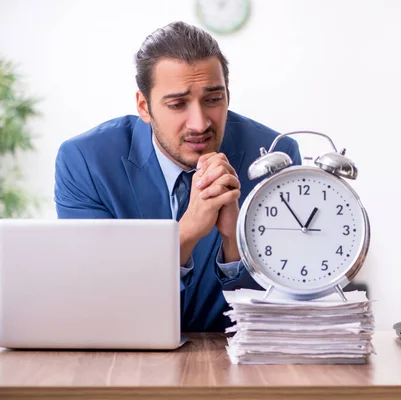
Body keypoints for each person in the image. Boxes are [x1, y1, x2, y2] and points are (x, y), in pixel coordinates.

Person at [54, 21, 302, 332]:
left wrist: (235, 243)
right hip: (124, 361)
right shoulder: (86, 162)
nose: (199, 124)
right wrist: (183, 235)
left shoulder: (273, 157)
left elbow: (282, 305)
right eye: (177, 104)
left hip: (234, 363)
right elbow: (97, 298)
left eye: (213, 99)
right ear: (144, 107)